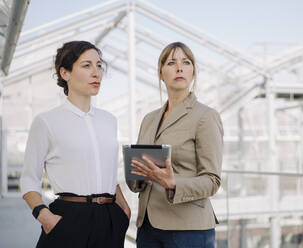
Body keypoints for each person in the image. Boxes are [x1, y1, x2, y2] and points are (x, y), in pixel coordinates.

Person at [20, 40, 130, 248]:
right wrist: (45, 216)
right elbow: (28, 180)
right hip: (68, 218)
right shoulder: (47, 122)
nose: (96, 73)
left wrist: (123, 210)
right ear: (65, 73)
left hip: (110, 218)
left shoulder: (110, 120)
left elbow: (107, 172)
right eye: (86, 65)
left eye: (99, 65)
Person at [127, 42, 224, 248]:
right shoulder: (149, 119)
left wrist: (174, 183)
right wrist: (136, 176)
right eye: (171, 62)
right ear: (161, 73)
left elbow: (212, 180)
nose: (179, 68)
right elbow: (139, 177)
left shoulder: (205, 117)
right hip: (148, 227)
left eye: (186, 62)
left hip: (188, 229)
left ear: (193, 72)